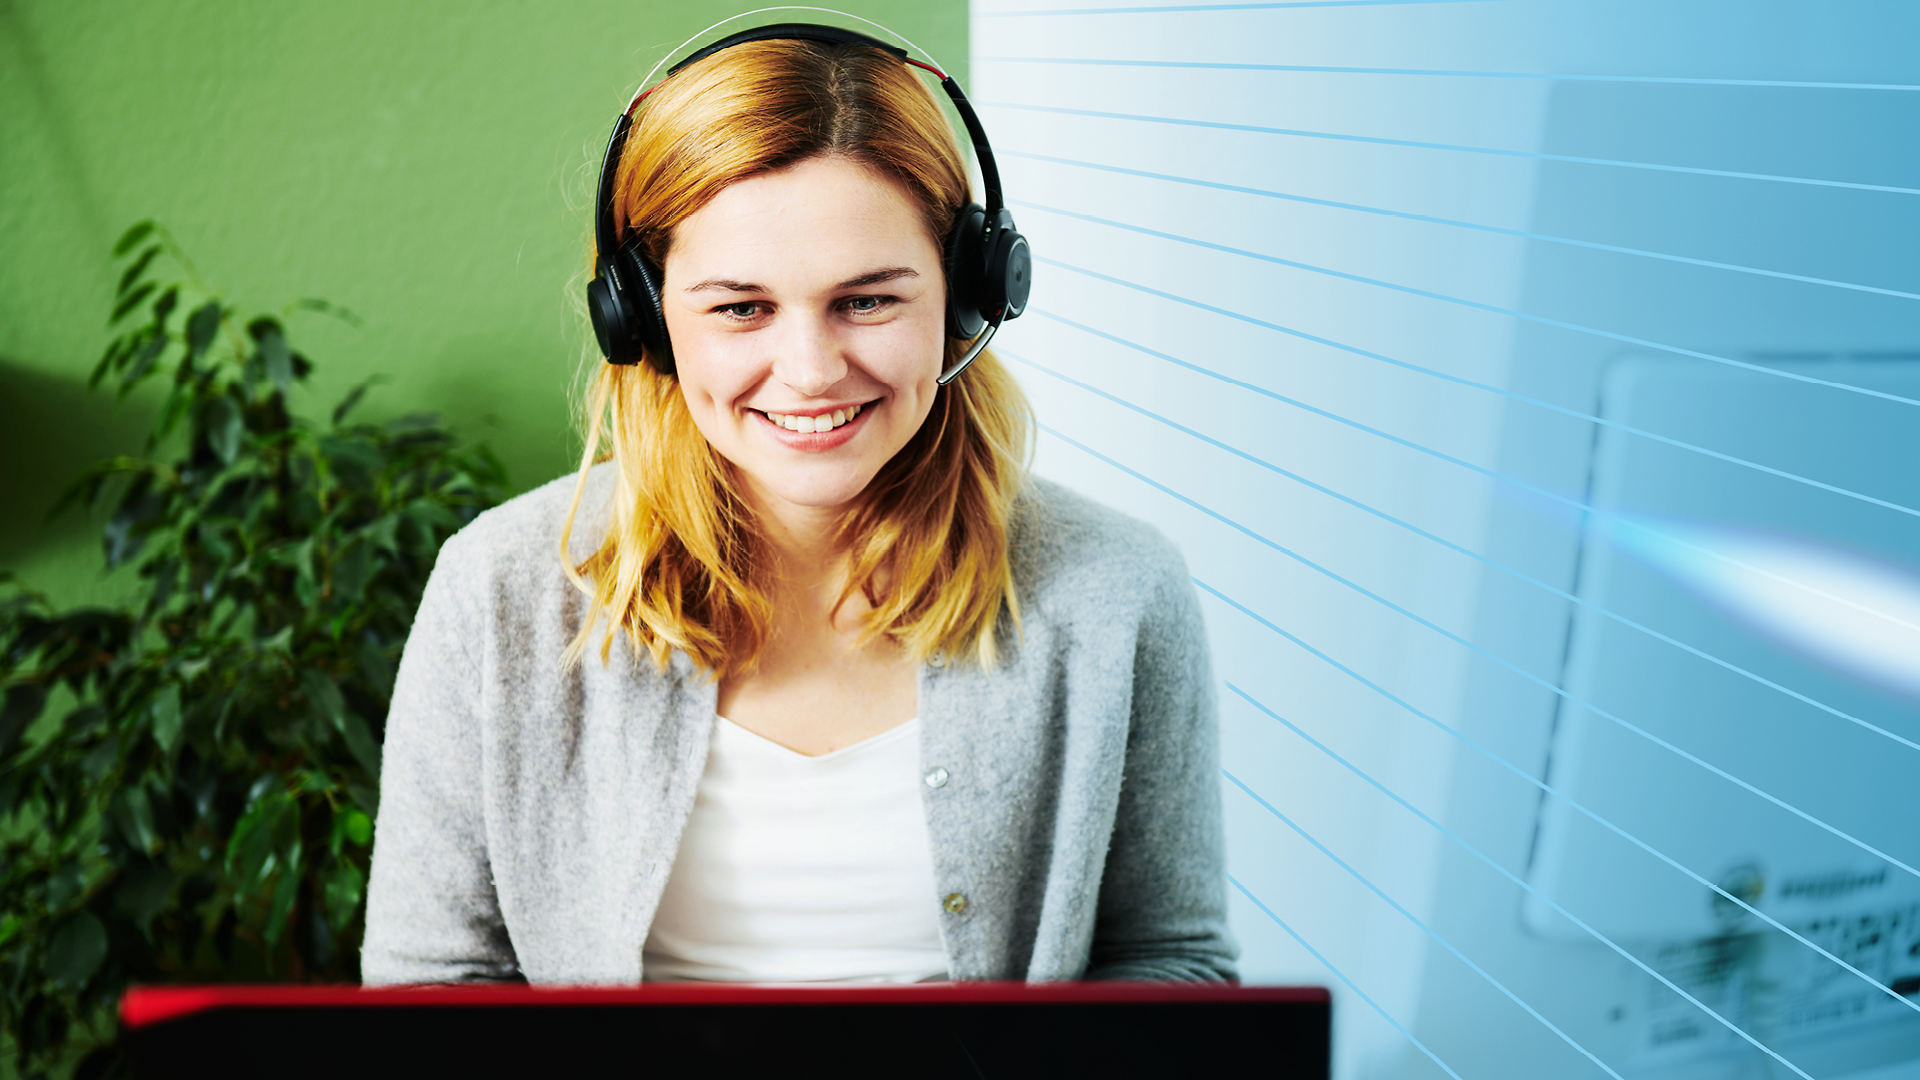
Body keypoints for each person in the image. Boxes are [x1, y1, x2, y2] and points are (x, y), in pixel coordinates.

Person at [361, 22, 1236, 986]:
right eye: (740, 308)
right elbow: (428, 989)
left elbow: (1170, 965)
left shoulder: (1117, 592)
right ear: (643, 320)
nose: (813, 373)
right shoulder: (502, 589)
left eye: (868, 301)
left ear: (968, 296)